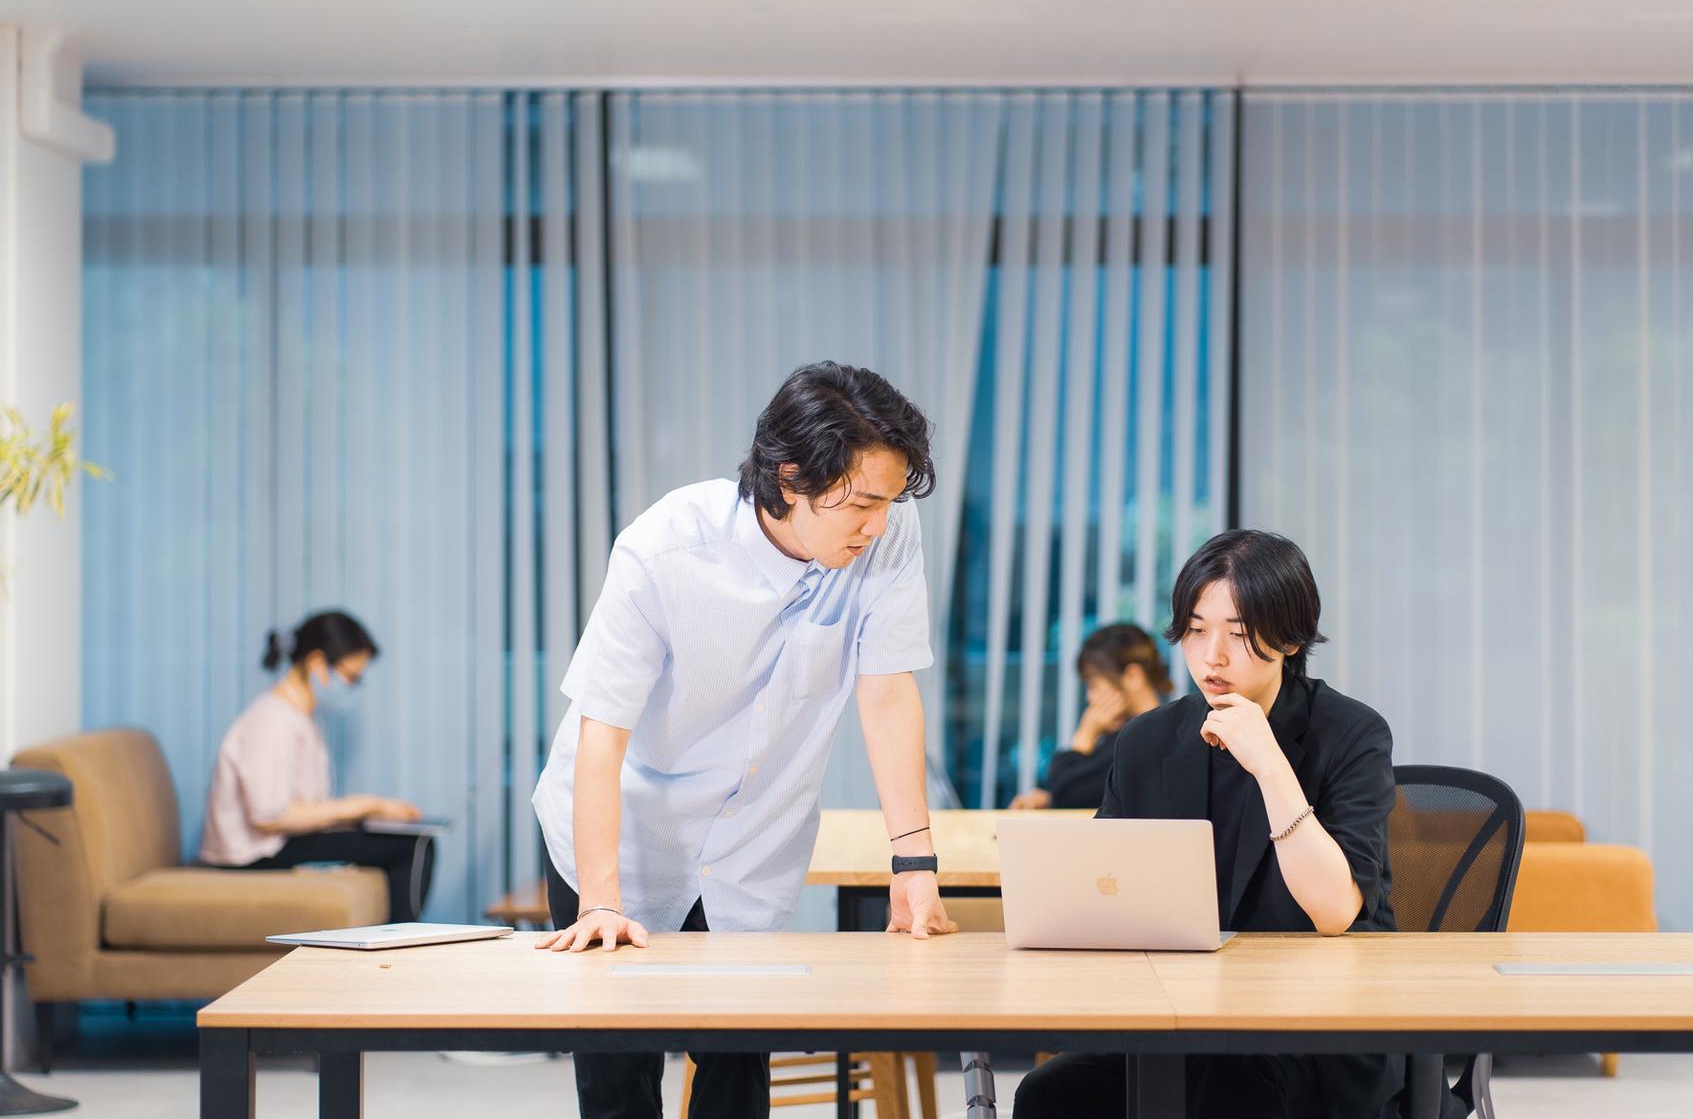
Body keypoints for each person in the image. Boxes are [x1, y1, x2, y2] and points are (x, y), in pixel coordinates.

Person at [531, 361, 957, 1119]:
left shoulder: (885, 537)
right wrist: (599, 901)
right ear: (791, 476)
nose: (879, 525)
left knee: (737, 1070)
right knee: (618, 1078)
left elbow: (888, 691)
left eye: (890, 503)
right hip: (623, 832)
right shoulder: (665, 548)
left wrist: (914, 864)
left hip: (749, 843)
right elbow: (602, 733)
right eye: (863, 503)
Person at [1014, 530, 1405, 1119]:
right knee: (1049, 1094)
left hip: (1316, 1024)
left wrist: (1270, 764)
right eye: (1196, 631)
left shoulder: (1351, 734)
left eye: (1239, 635)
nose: (1212, 656)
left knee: (1231, 1091)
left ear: (1290, 637)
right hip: (1180, 1014)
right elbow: (1104, 888)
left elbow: (1335, 912)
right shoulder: (1147, 740)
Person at [199, 610, 434, 924]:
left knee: (403, 838)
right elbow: (268, 816)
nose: (354, 686)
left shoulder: (300, 718)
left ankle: (397, 937)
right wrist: (361, 806)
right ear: (317, 663)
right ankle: (404, 941)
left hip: (274, 844)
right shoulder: (272, 720)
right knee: (416, 845)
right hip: (252, 855)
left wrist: (364, 814)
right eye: (352, 677)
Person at [1008, 622, 1169, 810]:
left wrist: (1086, 732)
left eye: (1093, 684)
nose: (1089, 697)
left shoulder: (1143, 739)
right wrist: (1050, 800)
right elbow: (1086, 794)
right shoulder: (1126, 735)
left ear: (1133, 676)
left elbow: (1068, 793)